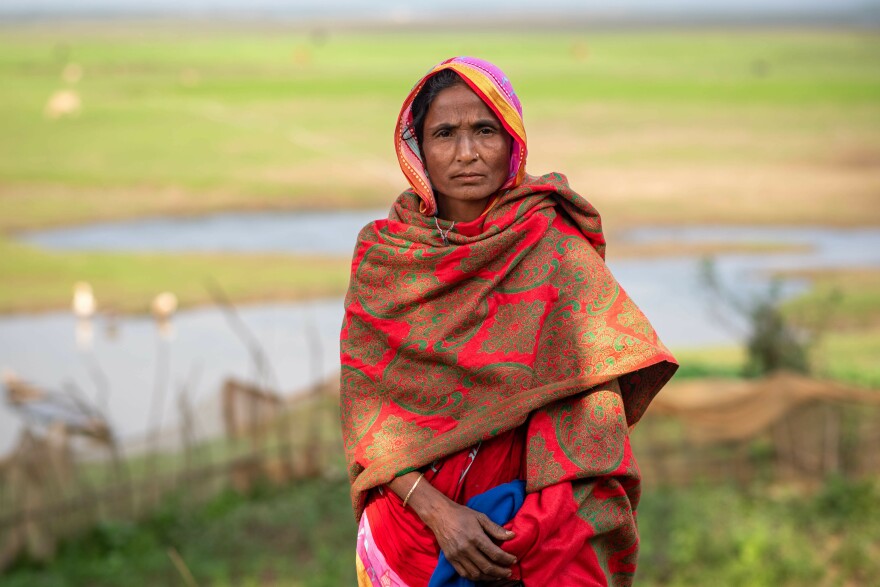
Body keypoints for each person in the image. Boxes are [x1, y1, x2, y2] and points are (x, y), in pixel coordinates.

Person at [340, 56, 677, 587]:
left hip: (530, 539)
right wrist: (438, 514)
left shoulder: (554, 251)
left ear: (513, 141)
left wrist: (528, 533)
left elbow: (591, 417)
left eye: (485, 130)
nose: (466, 152)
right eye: (445, 133)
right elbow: (367, 417)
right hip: (405, 533)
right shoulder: (386, 258)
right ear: (419, 149)